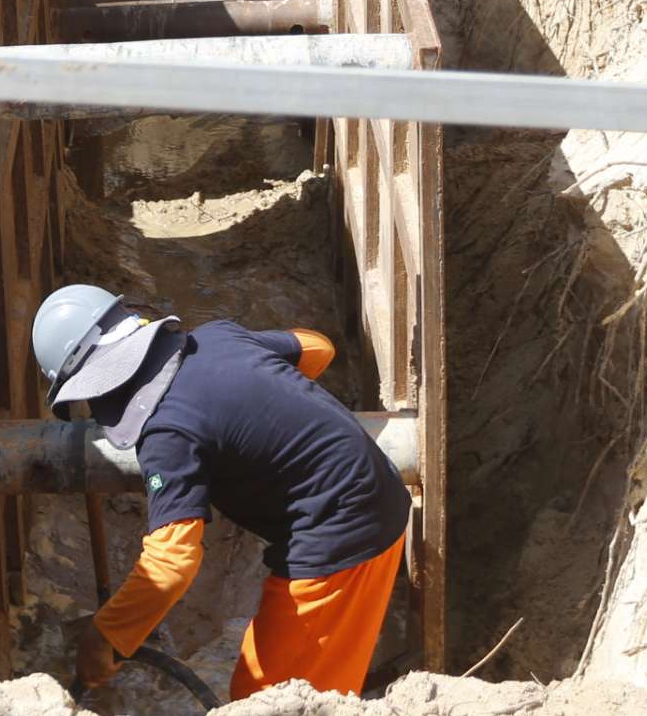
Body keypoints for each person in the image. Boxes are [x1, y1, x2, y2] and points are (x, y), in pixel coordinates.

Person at [39, 285, 412, 701]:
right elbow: (318, 348)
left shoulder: (166, 433)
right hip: (373, 496)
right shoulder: (217, 338)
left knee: (269, 702)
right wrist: (263, 408)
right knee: (314, 688)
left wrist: (104, 635)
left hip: (341, 534)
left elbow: (171, 563)